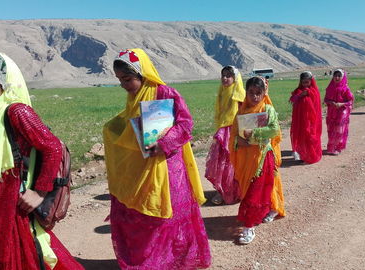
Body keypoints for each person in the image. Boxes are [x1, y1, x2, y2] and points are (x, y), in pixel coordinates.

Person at [102, 49, 211, 269]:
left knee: (165, 218)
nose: (124, 85)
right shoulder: (134, 97)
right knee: (142, 215)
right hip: (143, 165)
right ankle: (148, 262)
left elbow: (185, 125)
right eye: (119, 80)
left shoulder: (165, 93)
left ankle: (172, 261)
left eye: (127, 79)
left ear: (142, 75)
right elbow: (133, 125)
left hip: (168, 167)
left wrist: (162, 144)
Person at [0, 51, 84, 269]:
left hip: (10, 201)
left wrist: (39, 192)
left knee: (17, 254)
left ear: (5, 83)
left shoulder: (16, 111)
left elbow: (52, 147)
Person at [229, 77, 286, 245]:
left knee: (255, 192)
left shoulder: (268, 110)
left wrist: (253, 134)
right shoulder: (241, 112)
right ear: (246, 93)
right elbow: (234, 134)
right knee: (250, 191)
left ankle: (249, 227)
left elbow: (274, 129)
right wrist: (238, 142)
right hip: (246, 158)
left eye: (258, 93)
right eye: (251, 93)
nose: (254, 97)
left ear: (263, 94)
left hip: (262, 158)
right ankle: (267, 209)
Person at [205, 66, 245, 205]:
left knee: (233, 161)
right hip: (222, 130)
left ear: (235, 78)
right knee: (221, 162)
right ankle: (221, 191)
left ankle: (235, 190)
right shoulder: (222, 92)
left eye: (229, 75)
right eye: (223, 75)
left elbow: (245, 114)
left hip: (235, 131)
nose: (225, 78)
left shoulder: (240, 94)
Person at [289, 71, 322, 163]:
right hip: (300, 120)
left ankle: (311, 155)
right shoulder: (298, 91)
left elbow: (316, 105)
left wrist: (309, 93)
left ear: (311, 81)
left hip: (311, 120)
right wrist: (300, 95)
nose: (305, 84)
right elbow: (292, 99)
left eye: (307, 82)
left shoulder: (314, 91)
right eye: (303, 82)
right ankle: (303, 155)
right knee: (301, 137)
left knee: (310, 137)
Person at [324, 69, 354, 156]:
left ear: (343, 77)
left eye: (339, 76)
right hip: (332, 111)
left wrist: (341, 104)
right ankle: (331, 147)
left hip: (342, 111)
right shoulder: (330, 88)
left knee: (339, 129)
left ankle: (338, 147)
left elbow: (350, 101)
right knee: (331, 129)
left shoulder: (346, 88)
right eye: (335, 75)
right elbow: (326, 99)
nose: (336, 77)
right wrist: (331, 102)